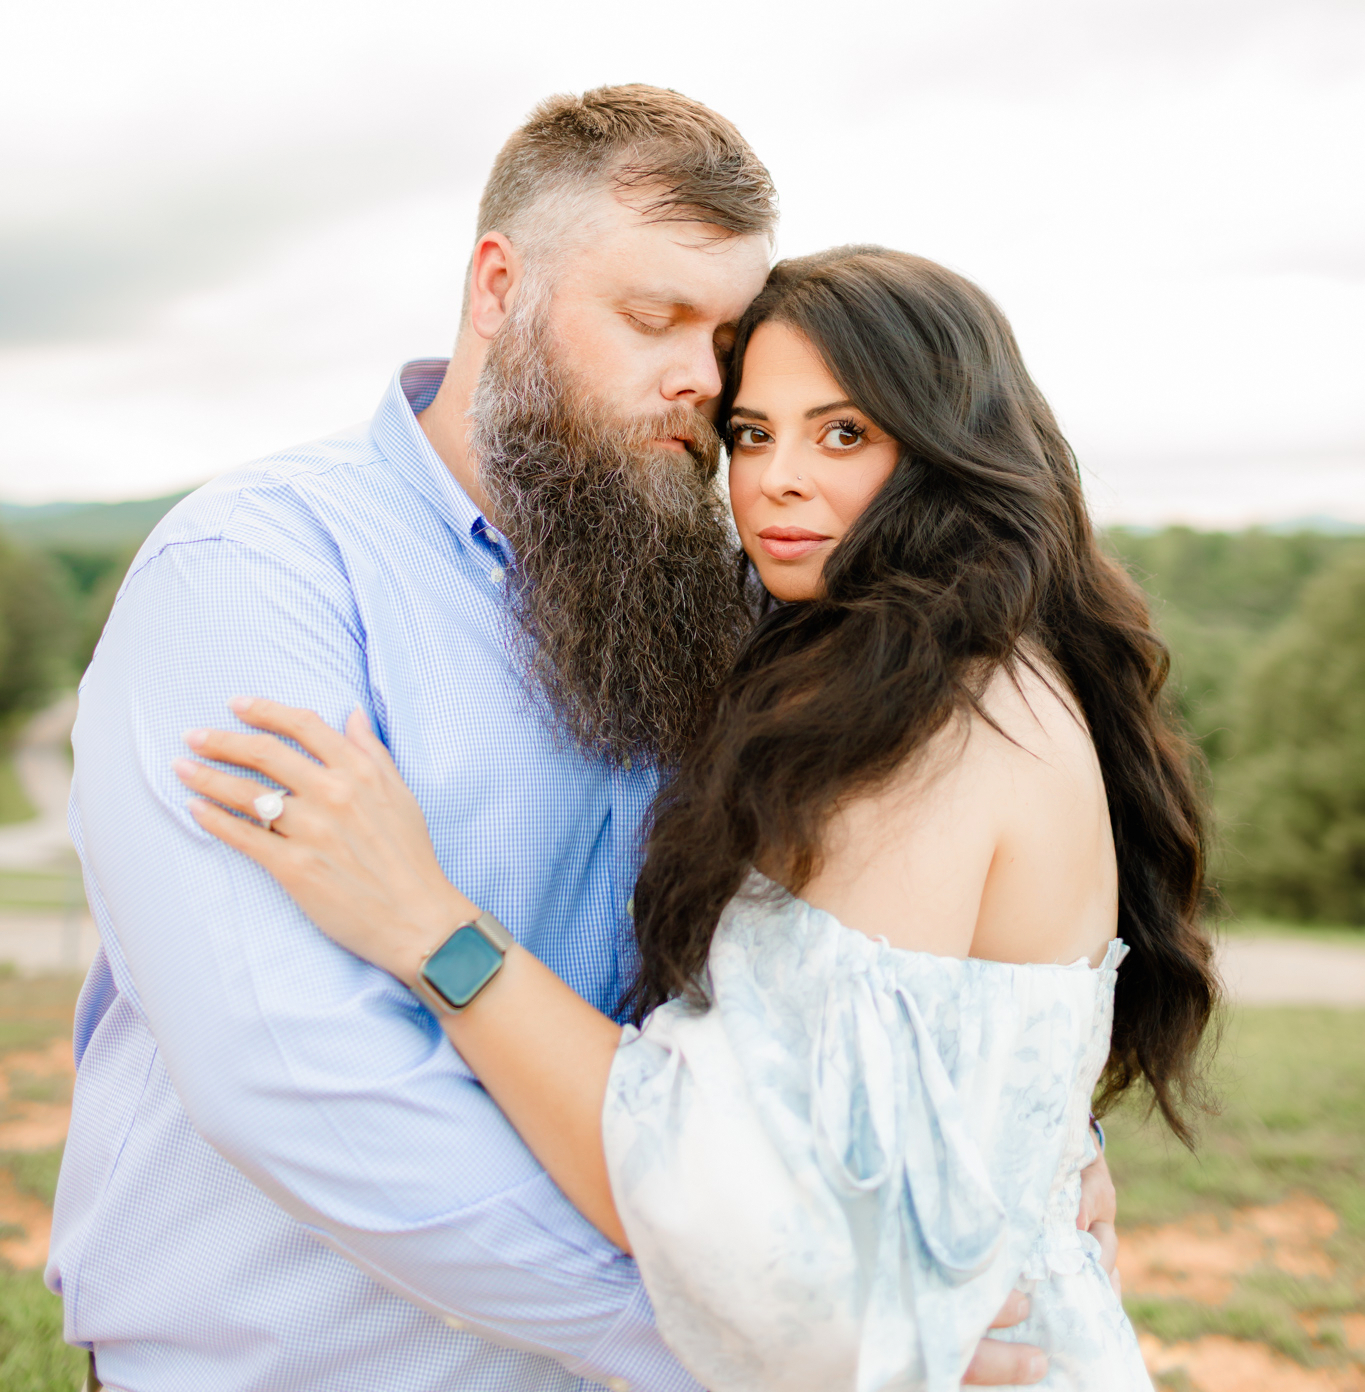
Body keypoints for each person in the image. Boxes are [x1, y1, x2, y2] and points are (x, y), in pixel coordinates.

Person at [50, 89, 1070, 1392]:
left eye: (726, 335)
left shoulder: (728, 589)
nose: (703, 379)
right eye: (652, 320)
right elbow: (295, 1076)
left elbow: (840, 971)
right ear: (497, 287)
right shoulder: (258, 572)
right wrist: (723, 1337)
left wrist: (1021, 1147)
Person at [181, 246, 1213, 1392]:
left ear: (953, 453)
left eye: (843, 433)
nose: (773, 479)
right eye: (753, 433)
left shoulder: (938, 721)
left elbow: (730, 1204)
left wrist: (430, 926)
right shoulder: (983, 669)